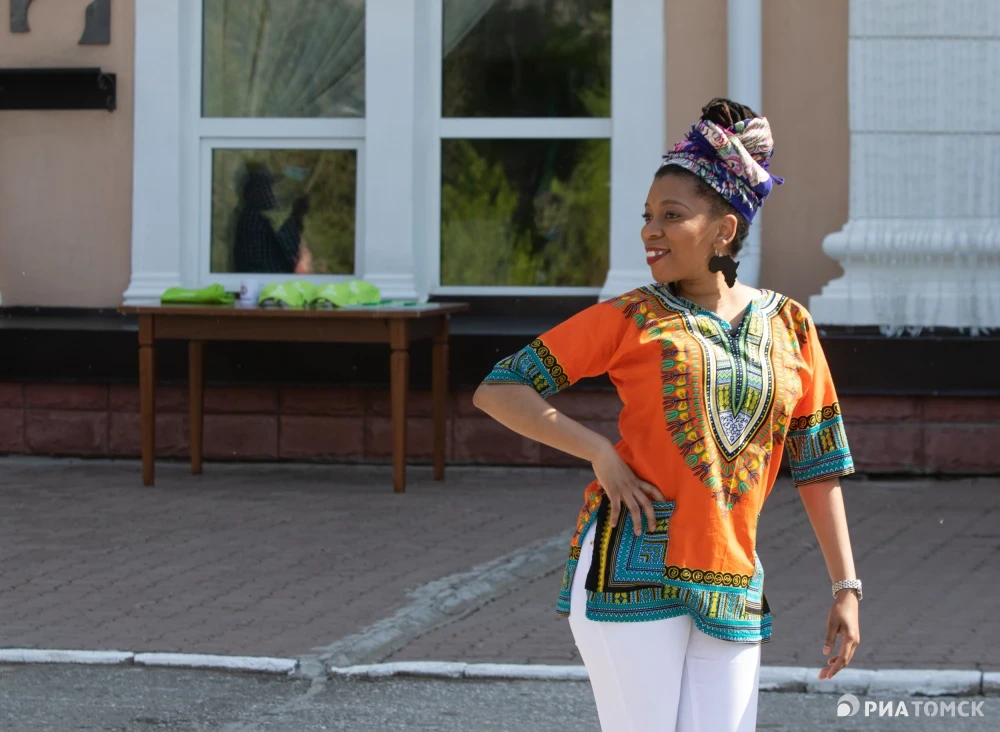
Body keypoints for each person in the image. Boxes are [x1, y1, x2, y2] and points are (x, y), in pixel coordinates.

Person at [472, 98, 861, 732]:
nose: (650, 231)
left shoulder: (790, 325)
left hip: (732, 577)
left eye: (671, 216)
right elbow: (500, 387)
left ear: (724, 229)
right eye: (647, 216)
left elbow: (818, 467)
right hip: (631, 566)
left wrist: (846, 587)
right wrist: (600, 452)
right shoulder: (631, 316)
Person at [233, 165, 312, 274]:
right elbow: (296, 262)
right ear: (258, 192)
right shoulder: (259, 219)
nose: (271, 194)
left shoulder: (253, 216)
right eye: (267, 189)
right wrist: (304, 254)